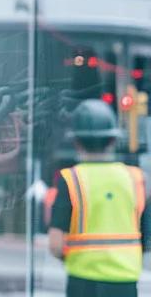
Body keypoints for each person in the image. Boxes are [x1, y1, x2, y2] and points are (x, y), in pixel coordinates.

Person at [48, 99, 151, 297]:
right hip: (125, 282)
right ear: (112, 140)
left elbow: (55, 244)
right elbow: (147, 239)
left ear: (77, 142)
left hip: (83, 282)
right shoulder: (137, 179)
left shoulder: (71, 179)